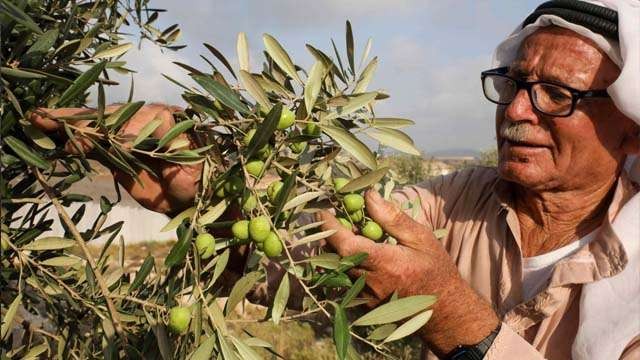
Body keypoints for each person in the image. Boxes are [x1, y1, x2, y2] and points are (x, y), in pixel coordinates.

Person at [29, 0, 639, 359]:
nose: (514, 111)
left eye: (556, 94)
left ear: (634, 130)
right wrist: (199, 192)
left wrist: (458, 321)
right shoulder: (457, 199)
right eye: (512, 85)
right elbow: (309, 253)